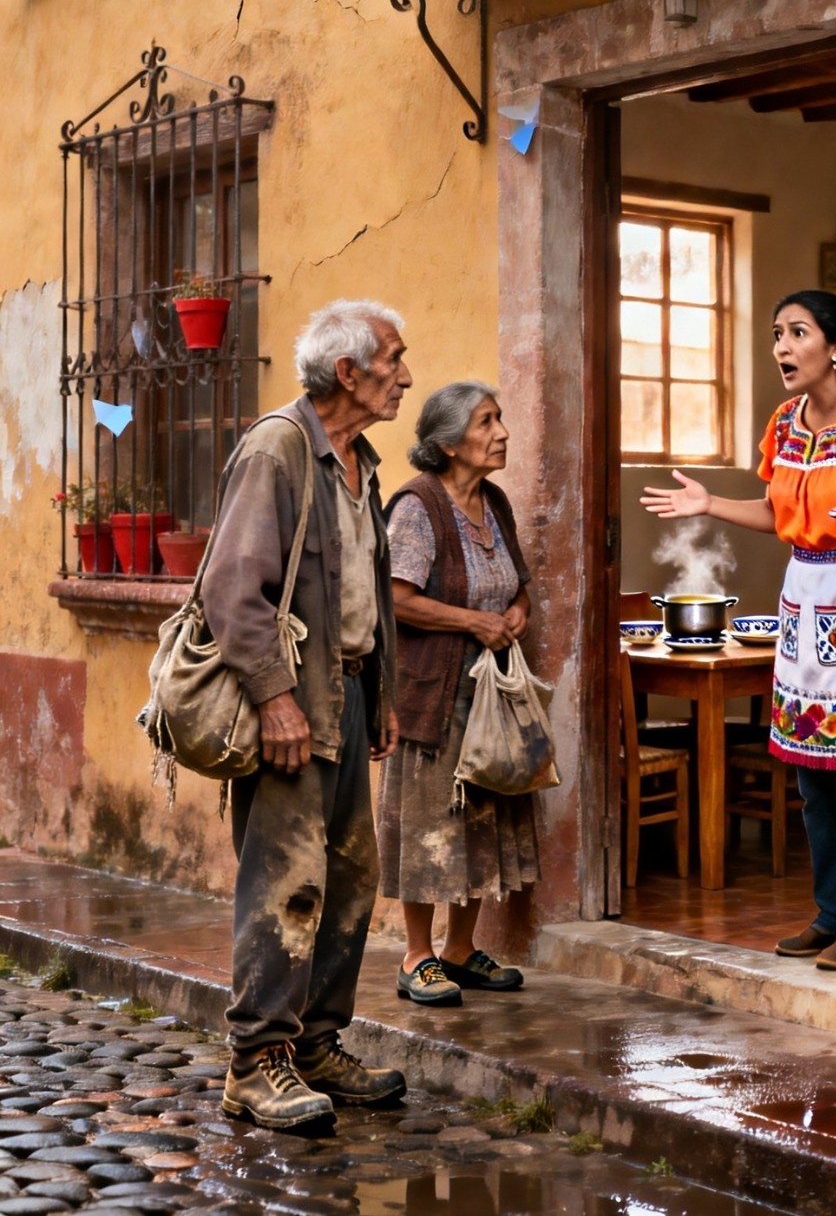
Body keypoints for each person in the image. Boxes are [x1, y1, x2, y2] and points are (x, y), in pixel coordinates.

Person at [204, 299, 411, 1129]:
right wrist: (274, 697)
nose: (405, 373)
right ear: (349, 372)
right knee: (287, 883)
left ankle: (317, 1044)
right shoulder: (279, 449)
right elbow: (231, 589)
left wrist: (382, 692)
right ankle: (256, 1063)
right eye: (394, 358)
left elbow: (364, 591)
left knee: (351, 880)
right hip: (291, 702)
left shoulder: (359, 461)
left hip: (349, 695)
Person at [641, 290, 836, 972]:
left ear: (835, 346)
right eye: (777, 333)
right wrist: (710, 504)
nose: (781, 346)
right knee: (811, 775)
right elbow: (782, 515)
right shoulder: (784, 424)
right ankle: (828, 915)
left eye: (797, 333)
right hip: (805, 596)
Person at [378, 381, 540, 1006]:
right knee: (428, 823)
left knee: (479, 818)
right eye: (485, 423)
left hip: (492, 692)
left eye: (499, 419)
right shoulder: (418, 507)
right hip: (434, 693)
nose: (501, 432)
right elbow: (396, 597)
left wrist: (518, 611)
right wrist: (474, 621)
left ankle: (460, 950)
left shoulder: (493, 502)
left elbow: (519, 583)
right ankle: (417, 955)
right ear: (447, 444)